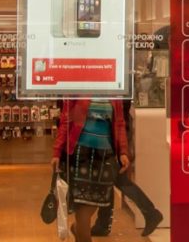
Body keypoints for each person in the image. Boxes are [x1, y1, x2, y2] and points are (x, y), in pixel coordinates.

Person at [52, 98, 131, 242]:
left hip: (105, 155)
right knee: (82, 205)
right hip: (80, 154)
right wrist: (57, 151)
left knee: (98, 201)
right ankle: (82, 233)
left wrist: (123, 151)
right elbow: (65, 120)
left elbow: (119, 123)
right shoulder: (78, 89)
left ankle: (77, 228)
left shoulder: (114, 92)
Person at [91, 100, 164, 237]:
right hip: (113, 136)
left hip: (113, 138)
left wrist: (122, 149)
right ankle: (103, 223)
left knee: (117, 180)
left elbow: (119, 117)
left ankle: (150, 213)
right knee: (110, 180)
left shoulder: (115, 94)